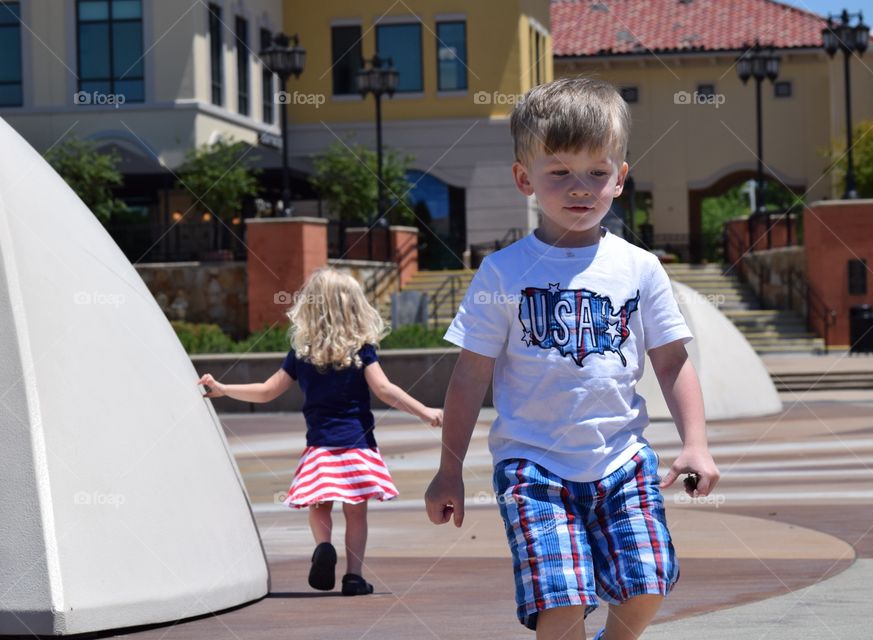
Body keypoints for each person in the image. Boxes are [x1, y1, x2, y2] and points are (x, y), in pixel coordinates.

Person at [424, 77, 720, 639]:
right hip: (533, 467)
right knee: (560, 603)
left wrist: (696, 444)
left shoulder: (639, 267)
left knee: (648, 583)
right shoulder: (503, 273)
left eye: (597, 172)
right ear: (524, 179)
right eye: (559, 172)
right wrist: (449, 469)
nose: (579, 187)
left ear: (620, 179)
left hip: (623, 461)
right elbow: (469, 378)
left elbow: (672, 363)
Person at [199, 268, 442, 596]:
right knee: (357, 513)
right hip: (357, 448)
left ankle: (323, 546)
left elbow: (267, 391)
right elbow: (385, 389)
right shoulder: (361, 351)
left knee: (319, 506)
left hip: (320, 451)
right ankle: (354, 576)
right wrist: (425, 412)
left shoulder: (302, 354)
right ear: (354, 307)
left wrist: (225, 389)